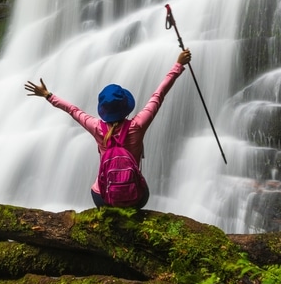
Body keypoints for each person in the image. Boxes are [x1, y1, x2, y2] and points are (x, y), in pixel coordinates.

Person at [24, 48, 192, 209]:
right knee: (142, 190)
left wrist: (47, 95)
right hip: (136, 199)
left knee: (96, 188)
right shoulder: (138, 125)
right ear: (126, 106)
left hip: (104, 198)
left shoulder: (96, 127)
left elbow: (72, 110)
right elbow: (159, 94)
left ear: (103, 110)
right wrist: (178, 65)